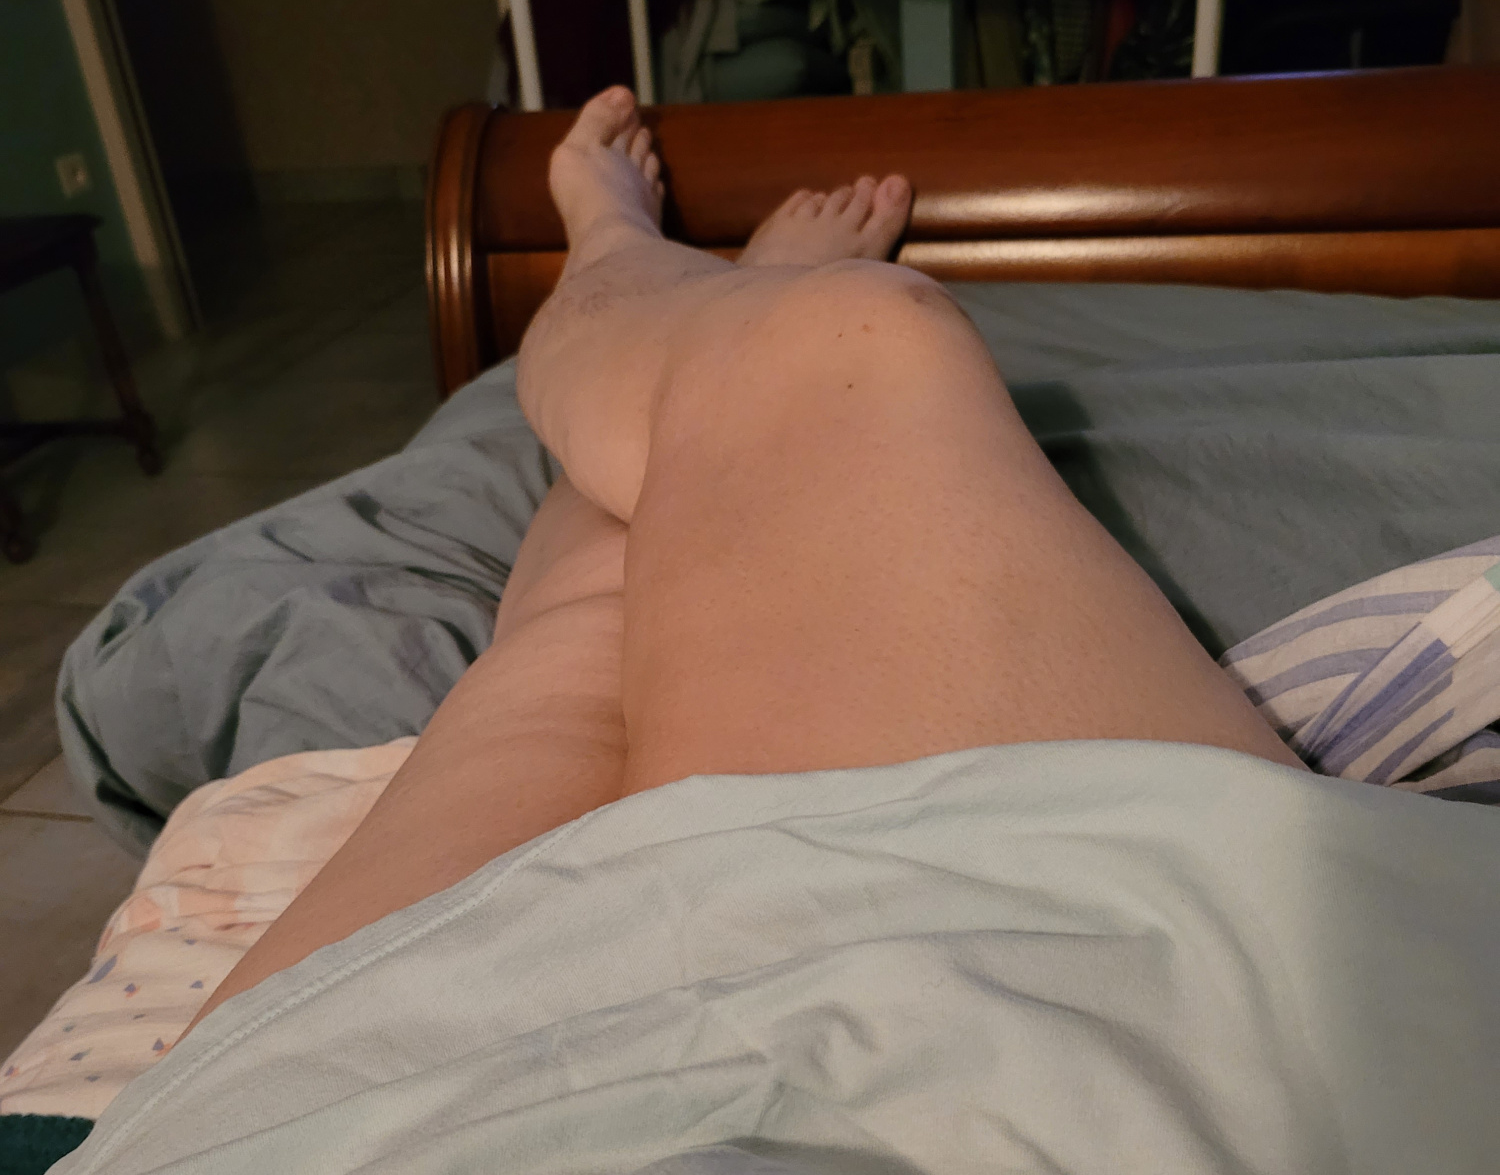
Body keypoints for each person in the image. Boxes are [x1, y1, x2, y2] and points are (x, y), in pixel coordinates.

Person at [191, 86, 1300, 1031]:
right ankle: (704, 300)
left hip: (298, 1140)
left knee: (605, 598)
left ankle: (621, 258)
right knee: (840, 351)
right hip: (1143, 1021)